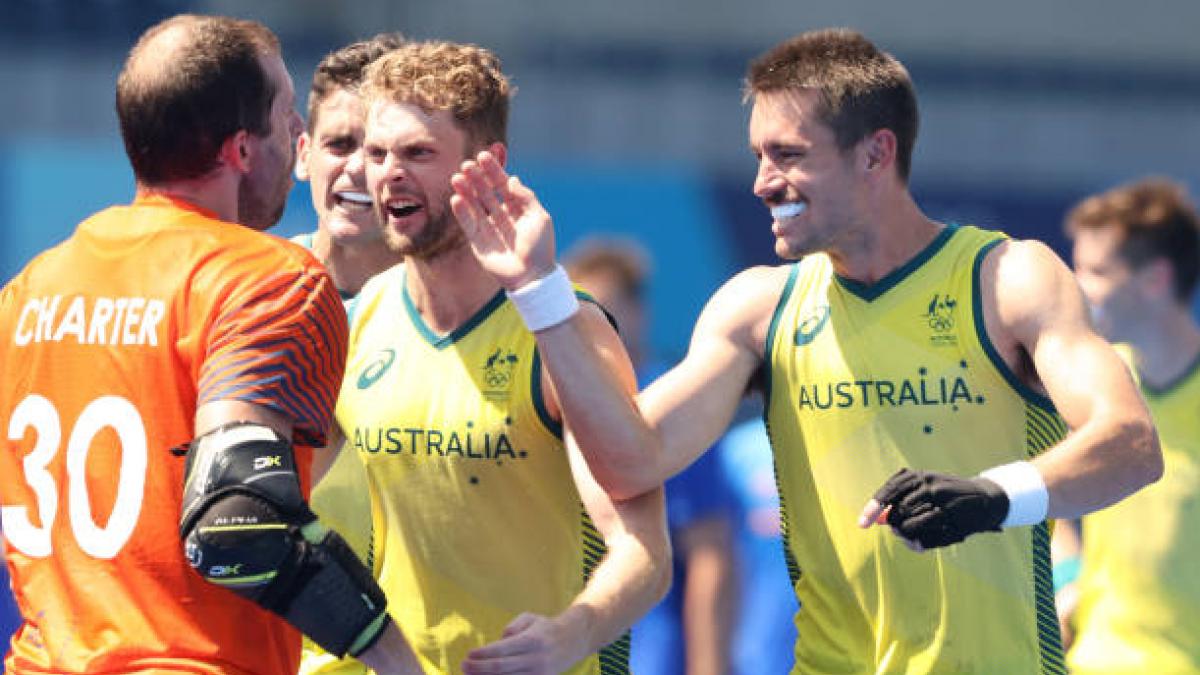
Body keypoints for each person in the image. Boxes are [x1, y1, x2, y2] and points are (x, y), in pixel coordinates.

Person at [581, 28, 1161, 672]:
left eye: (788, 155)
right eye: (758, 156)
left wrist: (996, 495)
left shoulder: (1007, 279)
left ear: (875, 154)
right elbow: (630, 459)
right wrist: (544, 301)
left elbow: (1131, 443)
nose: (763, 183)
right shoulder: (758, 307)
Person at [0, 14, 417, 674]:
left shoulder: (28, 292)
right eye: (286, 117)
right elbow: (238, 517)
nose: (296, 139)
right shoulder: (267, 278)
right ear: (242, 150)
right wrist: (395, 656)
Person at [321, 40, 670, 674]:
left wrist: (571, 634)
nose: (388, 174)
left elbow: (646, 552)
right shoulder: (358, 321)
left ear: (488, 163)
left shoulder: (563, 325)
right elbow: (284, 511)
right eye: (377, 153)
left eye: (418, 153)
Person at [290, 33, 407, 675]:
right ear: (303, 154)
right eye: (341, 144)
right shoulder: (242, 294)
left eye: (384, 149)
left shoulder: (484, 309)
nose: (361, 168)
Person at [565, 239, 737, 675]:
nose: (589, 328)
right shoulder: (551, 399)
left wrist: (708, 667)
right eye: (575, 316)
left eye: (604, 312)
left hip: (652, 658)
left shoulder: (673, 410)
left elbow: (710, 550)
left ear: (639, 314)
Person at [1056, 178, 1200, 673]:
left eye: (1095, 271)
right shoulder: (1093, 382)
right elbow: (1042, 487)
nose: (1075, 287)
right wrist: (1068, 577)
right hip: (1090, 661)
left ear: (1155, 279)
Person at [713, 416, 798, 675]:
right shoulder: (732, 451)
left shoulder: (732, 448)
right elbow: (716, 559)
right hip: (756, 649)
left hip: (760, 646)